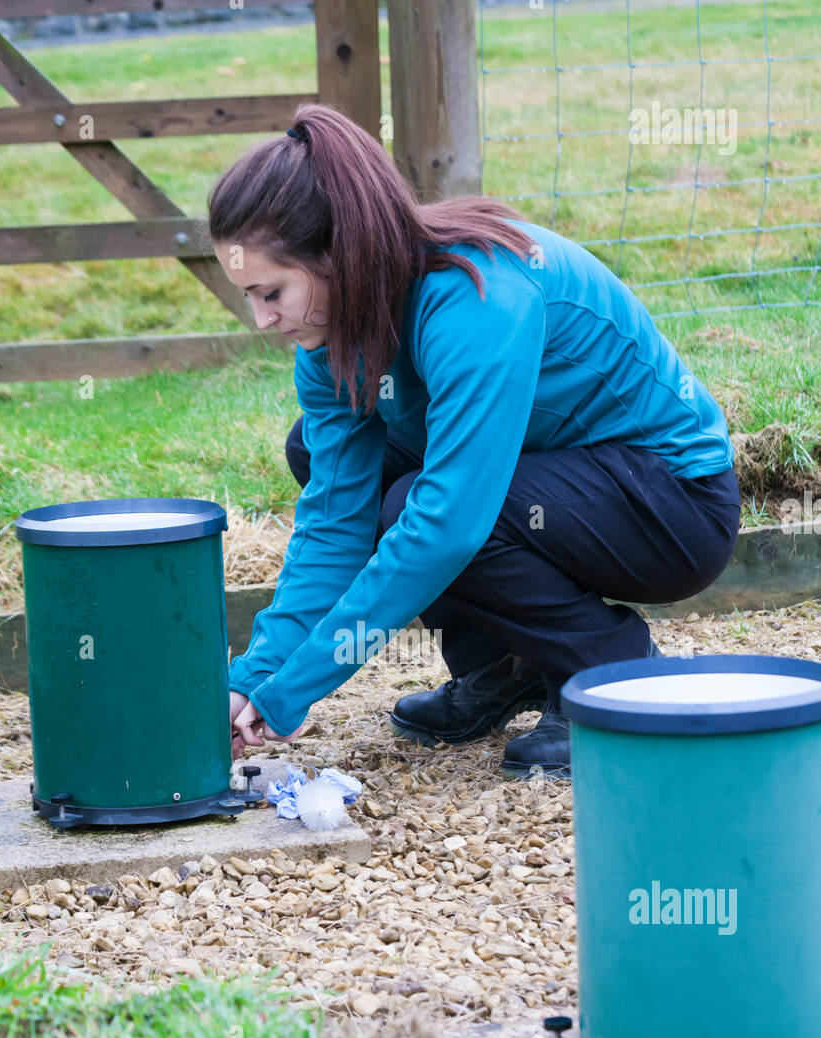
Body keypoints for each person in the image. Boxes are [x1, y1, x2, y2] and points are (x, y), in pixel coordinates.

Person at [209, 103, 740, 779]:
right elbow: (334, 523)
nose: (260, 319)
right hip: (555, 479)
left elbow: (448, 522)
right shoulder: (330, 339)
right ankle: (503, 663)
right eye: (250, 297)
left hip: (670, 503)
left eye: (270, 292)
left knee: (422, 508)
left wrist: (299, 686)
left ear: (336, 254)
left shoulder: (475, 299)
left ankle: (614, 680)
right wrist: (255, 678)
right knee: (320, 457)